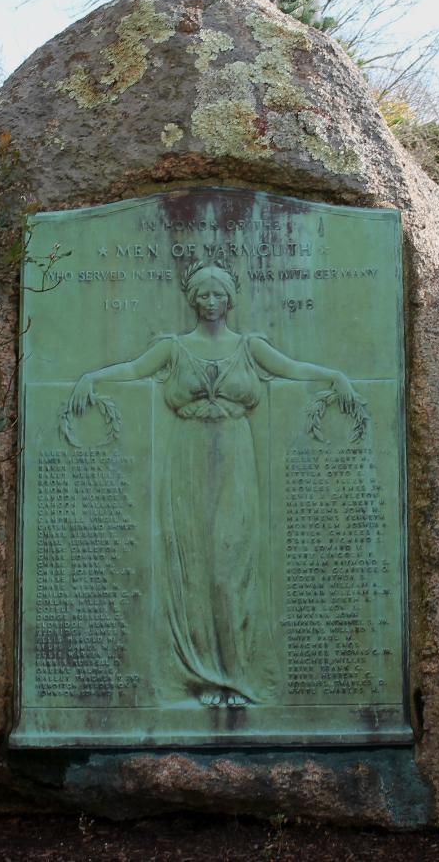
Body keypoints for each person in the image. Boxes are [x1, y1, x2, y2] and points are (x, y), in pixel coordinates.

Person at [67, 262, 359, 708]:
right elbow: (132, 369)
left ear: (229, 300)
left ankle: (237, 675)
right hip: (187, 459)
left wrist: (334, 376)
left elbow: (291, 367)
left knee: (231, 569)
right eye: (202, 295)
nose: (209, 302)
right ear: (193, 300)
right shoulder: (173, 349)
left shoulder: (248, 347)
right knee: (194, 569)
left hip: (236, 462)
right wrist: (93, 377)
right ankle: (202, 679)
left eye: (217, 295)